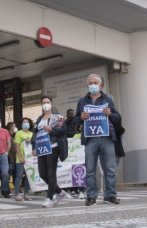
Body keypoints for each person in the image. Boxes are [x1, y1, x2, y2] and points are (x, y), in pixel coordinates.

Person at [75, 74, 122, 206]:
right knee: (90, 169)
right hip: (90, 140)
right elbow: (75, 120)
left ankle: (110, 195)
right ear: (87, 85)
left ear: (101, 85)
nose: (93, 85)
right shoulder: (82, 101)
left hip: (106, 138)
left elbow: (117, 117)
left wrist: (110, 114)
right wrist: (81, 118)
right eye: (91, 83)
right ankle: (91, 196)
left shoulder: (108, 99)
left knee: (110, 169)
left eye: (96, 82)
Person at [32, 96, 69, 208]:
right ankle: (60, 192)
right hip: (41, 148)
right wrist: (34, 147)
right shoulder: (39, 119)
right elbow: (35, 133)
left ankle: (49, 198)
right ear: (41, 105)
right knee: (42, 173)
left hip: (53, 146)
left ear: (51, 104)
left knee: (51, 173)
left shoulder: (58, 117)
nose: (46, 104)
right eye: (44, 102)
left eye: (48, 102)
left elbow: (63, 130)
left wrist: (51, 129)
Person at [14, 117, 34, 201]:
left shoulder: (32, 134)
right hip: (21, 159)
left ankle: (26, 193)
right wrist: (20, 157)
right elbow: (17, 146)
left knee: (28, 177)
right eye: (24, 122)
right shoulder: (19, 133)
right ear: (21, 124)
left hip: (30, 158)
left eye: (27, 122)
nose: (26, 124)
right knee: (19, 176)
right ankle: (17, 194)